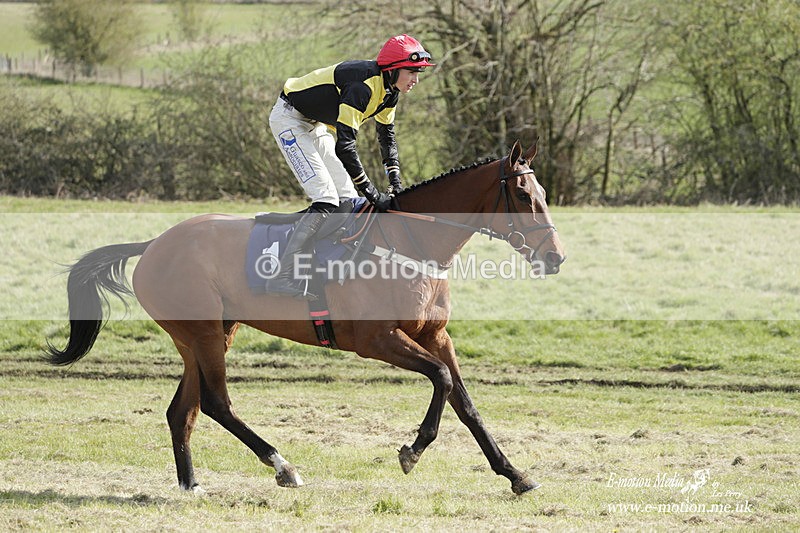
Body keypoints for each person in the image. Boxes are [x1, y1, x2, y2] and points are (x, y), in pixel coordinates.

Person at [266, 34, 435, 298]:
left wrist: (395, 182)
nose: (416, 80)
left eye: (419, 73)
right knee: (325, 197)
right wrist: (372, 192)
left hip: (315, 123)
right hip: (289, 119)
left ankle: (317, 260)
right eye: (412, 72)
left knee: (346, 198)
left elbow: (386, 136)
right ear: (393, 69)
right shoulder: (364, 87)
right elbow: (345, 147)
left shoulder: (389, 92)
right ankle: (281, 276)